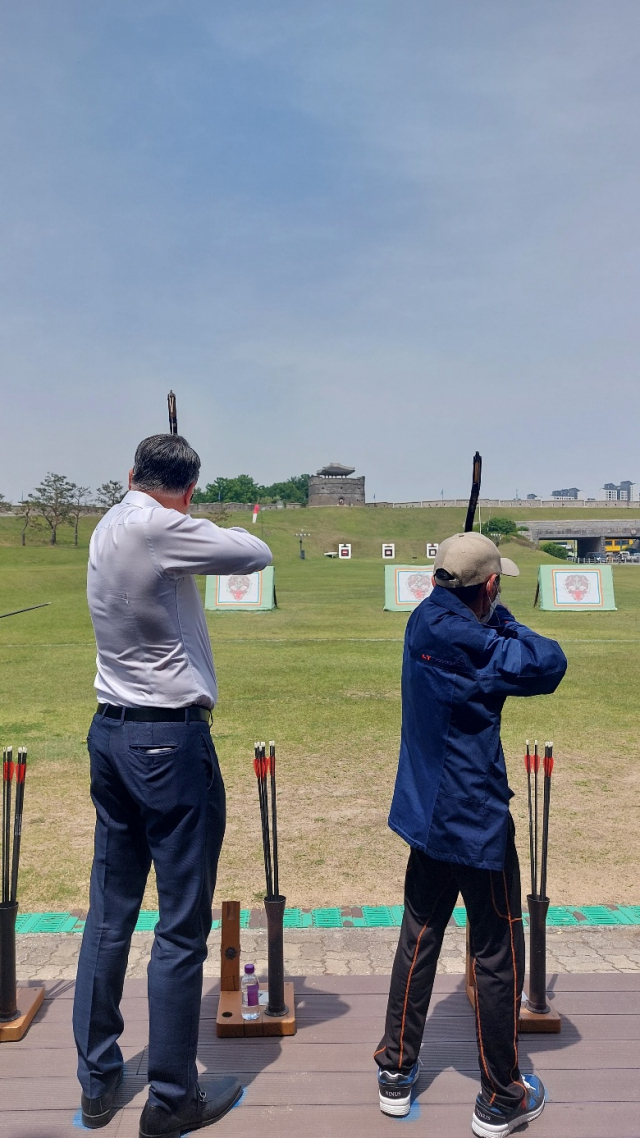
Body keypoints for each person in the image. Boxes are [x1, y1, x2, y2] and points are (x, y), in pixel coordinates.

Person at [73, 434, 272, 1137]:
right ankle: (168, 1099)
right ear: (186, 488)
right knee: (182, 926)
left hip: (111, 733)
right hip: (167, 742)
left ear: (130, 473)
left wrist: (184, 516)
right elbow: (255, 552)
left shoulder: (110, 520)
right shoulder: (164, 527)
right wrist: (195, 519)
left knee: (110, 913)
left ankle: (99, 1081)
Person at [374, 531, 567, 1138]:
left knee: (419, 937)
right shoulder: (478, 638)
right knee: (496, 952)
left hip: (426, 814)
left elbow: (462, 620)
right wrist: (502, 615)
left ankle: (396, 1072)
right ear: (486, 587)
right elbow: (548, 662)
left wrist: (481, 605)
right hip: (475, 819)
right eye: (497, 584)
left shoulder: (424, 616)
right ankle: (501, 1095)